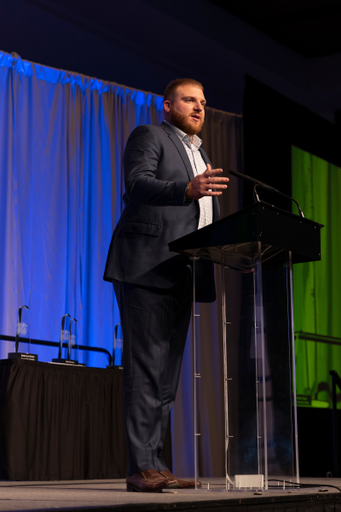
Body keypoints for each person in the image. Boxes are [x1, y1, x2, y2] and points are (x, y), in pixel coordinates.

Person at [103, 78, 229, 492]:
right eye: (189, 100)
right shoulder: (150, 135)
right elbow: (136, 184)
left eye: (203, 103)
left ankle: (157, 462)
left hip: (184, 270)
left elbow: (201, 217)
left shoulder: (200, 152)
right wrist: (186, 189)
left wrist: (230, 253)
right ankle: (141, 466)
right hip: (146, 266)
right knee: (145, 369)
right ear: (167, 105)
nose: (198, 108)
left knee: (166, 377)